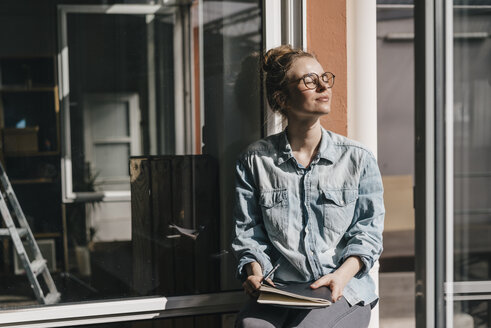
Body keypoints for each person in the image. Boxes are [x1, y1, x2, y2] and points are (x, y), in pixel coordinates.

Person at [231, 45, 385, 328]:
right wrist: (254, 273)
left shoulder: (357, 158)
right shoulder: (254, 160)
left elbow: (368, 233)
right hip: (282, 289)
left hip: (341, 287)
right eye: (309, 81)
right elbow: (248, 234)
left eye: (324, 77)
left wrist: (340, 276)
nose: (323, 85)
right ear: (282, 98)